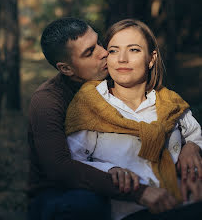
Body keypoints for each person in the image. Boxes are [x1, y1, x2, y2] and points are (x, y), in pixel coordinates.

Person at [28, 17, 202, 220]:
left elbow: (171, 114)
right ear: (66, 68)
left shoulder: (114, 75)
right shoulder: (48, 101)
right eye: (89, 52)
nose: (104, 53)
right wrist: (137, 191)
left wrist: (190, 146)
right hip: (60, 194)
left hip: (129, 184)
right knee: (88, 204)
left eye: (99, 43)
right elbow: (60, 169)